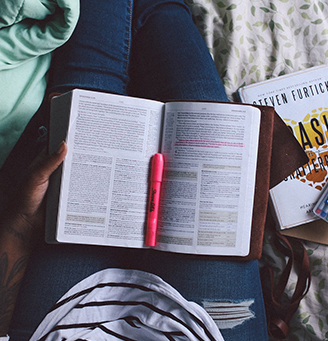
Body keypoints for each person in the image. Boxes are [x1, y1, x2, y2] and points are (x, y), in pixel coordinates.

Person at [0, 0, 268, 339]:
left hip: (57, 323)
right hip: (205, 328)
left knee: (90, 85)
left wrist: (22, 218)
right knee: (195, 100)